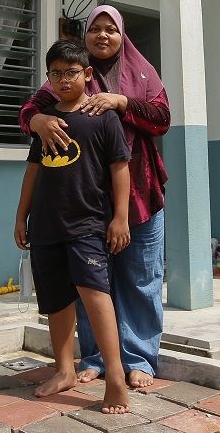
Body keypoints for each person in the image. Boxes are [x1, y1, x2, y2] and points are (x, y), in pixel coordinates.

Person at [19, 5, 169, 388]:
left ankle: (139, 360)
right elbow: (30, 114)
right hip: (83, 203)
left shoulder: (141, 72)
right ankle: (96, 358)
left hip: (138, 193)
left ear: (122, 36)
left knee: (140, 278)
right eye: (95, 30)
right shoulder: (70, 73)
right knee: (90, 282)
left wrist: (121, 102)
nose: (103, 36)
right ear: (84, 36)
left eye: (111, 30)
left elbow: (162, 119)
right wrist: (35, 120)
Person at [14, 39, 133, 413]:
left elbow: (120, 169)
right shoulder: (47, 119)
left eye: (71, 72)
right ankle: (64, 369)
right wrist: (21, 215)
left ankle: (114, 375)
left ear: (87, 74)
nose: (64, 79)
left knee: (95, 294)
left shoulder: (103, 118)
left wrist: (120, 217)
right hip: (46, 226)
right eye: (55, 73)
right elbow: (33, 171)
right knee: (56, 301)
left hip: (87, 225)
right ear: (48, 78)